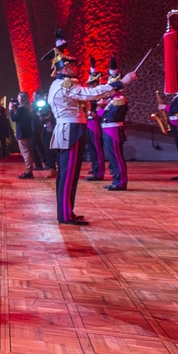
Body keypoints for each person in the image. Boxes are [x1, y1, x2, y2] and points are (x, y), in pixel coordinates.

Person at [43, 42, 136, 225]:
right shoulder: (66, 84)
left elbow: (79, 101)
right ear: (66, 68)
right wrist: (120, 82)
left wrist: (93, 104)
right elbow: (90, 93)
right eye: (72, 66)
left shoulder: (57, 84)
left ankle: (65, 212)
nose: (75, 69)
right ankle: (65, 215)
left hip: (67, 129)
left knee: (66, 175)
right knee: (69, 175)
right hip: (71, 130)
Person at [101, 59, 129, 191]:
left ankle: (121, 182)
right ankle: (116, 180)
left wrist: (98, 110)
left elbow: (111, 116)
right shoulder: (111, 100)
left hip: (114, 130)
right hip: (108, 130)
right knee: (112, 157)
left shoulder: (119, 99)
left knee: (117, 157)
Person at [84, 57, 106, 181]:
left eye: (91, 84)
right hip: (89, 122)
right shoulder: (90, 95)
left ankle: (99, 172)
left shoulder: (100, 95)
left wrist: (96, 111)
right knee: (92, 148)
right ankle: (95, 168)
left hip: (96, 122)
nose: (89, 86)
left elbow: (102, 108)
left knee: (97, 148)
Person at [10, 92, 35, 179]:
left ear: (22, 99)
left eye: (19, 97)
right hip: (27, 132)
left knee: (25, 152)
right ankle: (29, 170)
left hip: (22, 133)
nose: (17, 99)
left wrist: (10, 109)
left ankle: (28, 171)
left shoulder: (22, 109)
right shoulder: (28, 108)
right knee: (28, 151)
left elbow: (14, 118)